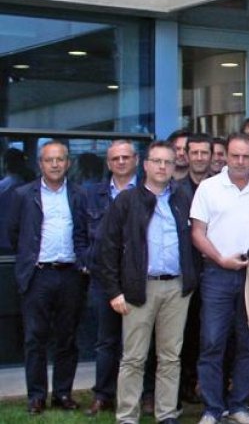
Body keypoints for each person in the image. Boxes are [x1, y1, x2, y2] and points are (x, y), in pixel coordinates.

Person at [94, 141, 196, 424]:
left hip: (176, 288)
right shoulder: (126, 201)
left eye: (168, 162)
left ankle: (166, 413)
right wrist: (115, 290)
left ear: (174, 167)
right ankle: (127, 416)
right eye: (157, 161)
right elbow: (108, 247)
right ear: (146, 164)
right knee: (134, 358)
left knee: (170, 357)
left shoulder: (181, 199)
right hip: (140, 289)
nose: (163, 167)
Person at [190, 133, 249, 424]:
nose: (240, 162)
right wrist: (220, 259)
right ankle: (212, 408)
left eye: (246, 156)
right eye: (234, 156)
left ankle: (239, 405)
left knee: (248, 342)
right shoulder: (208, 187)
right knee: (212, 341)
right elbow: (197, 233)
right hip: (217, 274)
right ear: (225, 156)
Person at [7, 140, 87, 414]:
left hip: (70, 275)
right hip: (38, 275)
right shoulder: (22, 195)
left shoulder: (78, 194)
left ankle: (63, 394)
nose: (55, 164)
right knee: (35, 339)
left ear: (68, 163)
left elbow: (84, 231)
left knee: (67, 338)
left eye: (60, 159)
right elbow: (14, 233)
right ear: (40, 164)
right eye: (49, 160)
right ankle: (37, 396)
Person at [82, 140, 140, 415]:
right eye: (115, 158)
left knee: (142, 342)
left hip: (138, 278)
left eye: (125, 157)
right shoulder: (92, 194)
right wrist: (86, 262)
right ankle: (103, 395)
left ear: (136, 160)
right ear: (108, 163)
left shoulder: (147, 192)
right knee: (106, 341)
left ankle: (144, 395)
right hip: (103, 279)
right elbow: (80, 233)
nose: (120, 162)